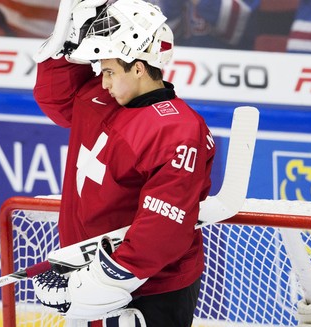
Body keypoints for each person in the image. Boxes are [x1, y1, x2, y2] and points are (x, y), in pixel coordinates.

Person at [32, 0, 216, 325]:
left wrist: (101, 282)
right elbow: (55, 100)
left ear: (139, 67)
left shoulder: (178, 130)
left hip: (151, 286)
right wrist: (66, 47)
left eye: (109, 71)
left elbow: (163, 227)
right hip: (92, 273)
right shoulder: (99, 99)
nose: (102, 81)